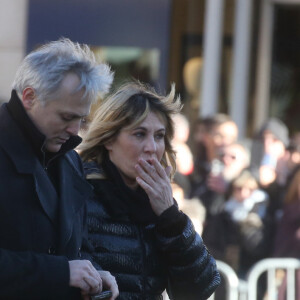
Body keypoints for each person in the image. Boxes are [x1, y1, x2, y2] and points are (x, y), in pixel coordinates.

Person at [0, 38, 118, 299]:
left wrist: (93, 272)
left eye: (81, 119)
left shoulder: (68, 160)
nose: (75, 130)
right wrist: (60, 273)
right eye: (66, 117)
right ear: (29, 97)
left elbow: (74, 249)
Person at [80, 81, 221, 299]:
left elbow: (199, 288)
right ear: (109, 138)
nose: (152, 148)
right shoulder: (80, 192)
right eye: (139, 134)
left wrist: (171, 217)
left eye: (159, 136)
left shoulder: (159, 202)